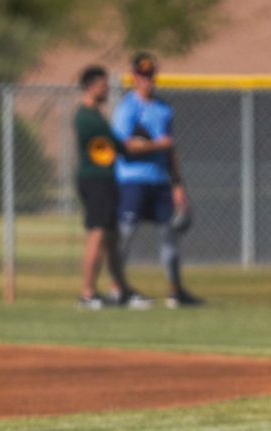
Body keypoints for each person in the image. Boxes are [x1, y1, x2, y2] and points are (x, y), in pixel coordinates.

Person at [111, 52, 202, 308]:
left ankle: (176, 291)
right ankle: (117, 288)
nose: (147, 80)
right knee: (126, 233)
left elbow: (171, 149)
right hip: (132, 181)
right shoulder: (127, 108)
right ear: (133, 77)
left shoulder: (163, 109)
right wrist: (154, 145)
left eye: (150, 75)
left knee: (169, 234)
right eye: (142, 75)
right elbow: (124, 146)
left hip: (160, 181)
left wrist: (178, 185)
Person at [73, 65, 158, 310]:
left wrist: (141, 145)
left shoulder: (98, 115)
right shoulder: (85, 116)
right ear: (91, 85)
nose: (106, 88)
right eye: (102, 84)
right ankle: (88, 294)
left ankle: (121, 290)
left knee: (112, 239)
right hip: (95, 179)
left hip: (107, 180)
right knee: (97, 233)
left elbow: (120, 146)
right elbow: (116, 145)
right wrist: (145, 145)